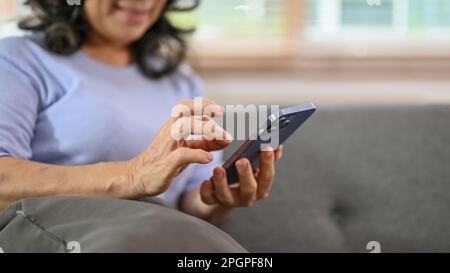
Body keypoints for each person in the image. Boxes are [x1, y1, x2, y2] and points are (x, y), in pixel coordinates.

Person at [0, 0, 282, 252]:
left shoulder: (181, 80)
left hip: (166, 233)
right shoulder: (18, 57)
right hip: (72, 229)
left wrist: (221, 197)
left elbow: (191, 203)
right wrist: (133, 176)